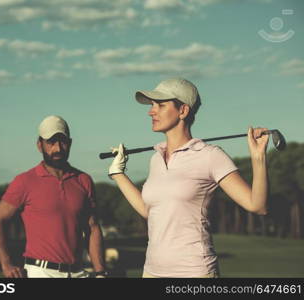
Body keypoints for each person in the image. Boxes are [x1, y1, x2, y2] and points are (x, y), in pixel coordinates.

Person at [108, 78, 269, 278]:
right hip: (151, 271)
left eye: (160, 105)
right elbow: (148, 210)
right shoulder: (155, 159)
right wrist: (118, 174)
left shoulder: (210, 156)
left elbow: (257, 205)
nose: (151, 111)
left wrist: (258, 157)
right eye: (151, 105)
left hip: (194, 272)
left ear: (183, 111)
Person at [0, 115, 107, 278]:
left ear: (70, 143)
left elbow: (92, 227)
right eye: (51, 142)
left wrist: (101, 271)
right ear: (40, 145)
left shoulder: (83, 180)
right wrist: (6, 264)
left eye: (63, 142)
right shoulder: (25, 181)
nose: (58, 148)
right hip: (41, 272)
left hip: (78, 272)